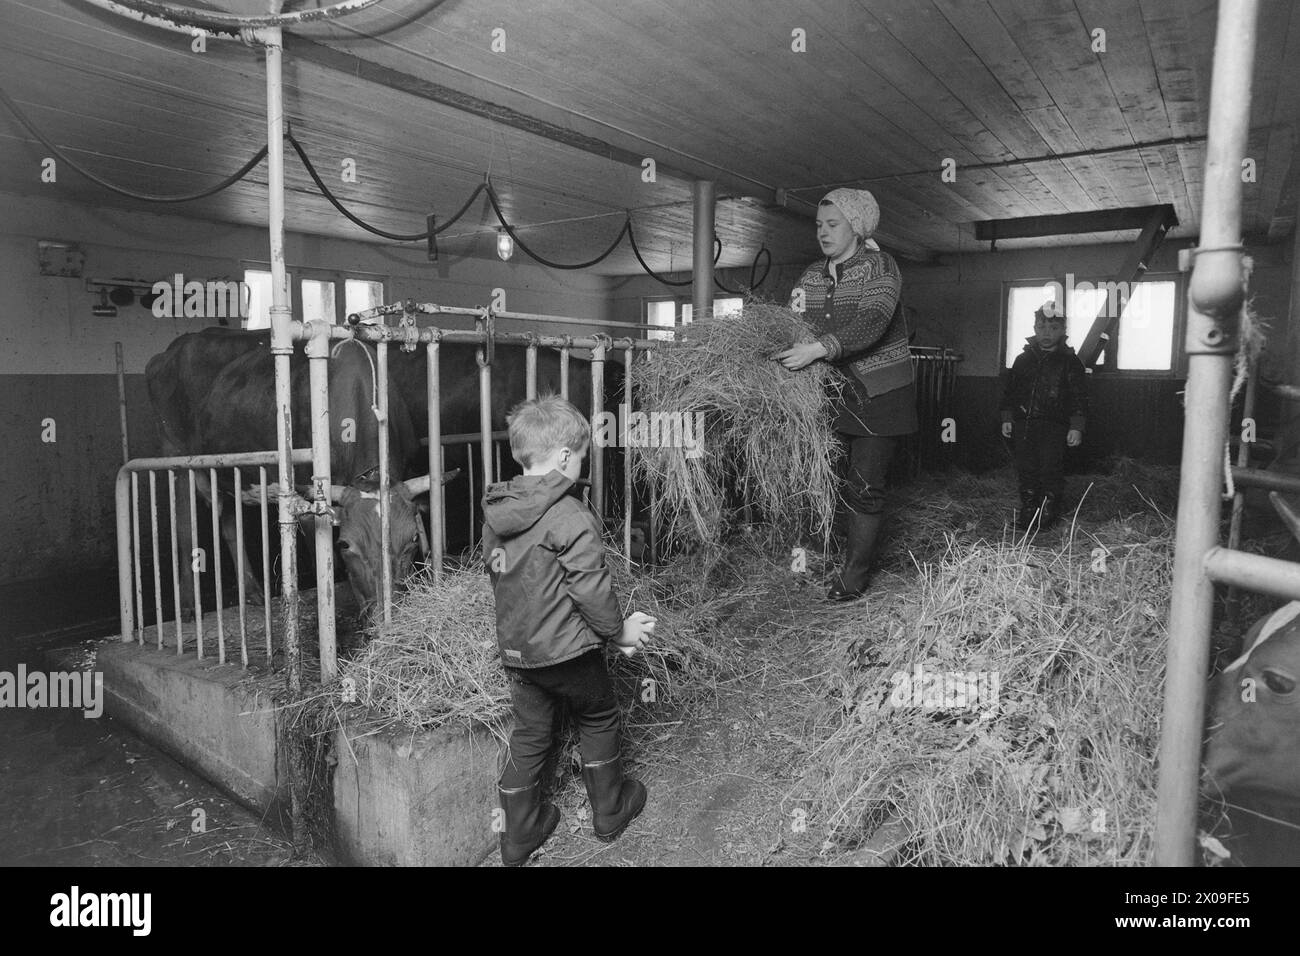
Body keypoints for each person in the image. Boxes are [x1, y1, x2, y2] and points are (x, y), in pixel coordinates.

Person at [481, 394, 657, 866]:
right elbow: (591, 590)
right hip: (570, 654)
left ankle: (517, 837)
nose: (582, 465)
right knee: (598, 715)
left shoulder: (498, 514)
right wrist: (617, 632)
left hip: (518, 652)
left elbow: (500, 574)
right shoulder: (570, 515)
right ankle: (610, 810)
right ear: (563, 458)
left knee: (531, 733)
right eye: (580, 457)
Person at [776, 188, 917, 601]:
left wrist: (817, 350)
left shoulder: (880, 268)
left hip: (879, 394)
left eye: (833, 224)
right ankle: (820, 557)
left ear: (856, 226)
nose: (823, 232)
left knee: (864, 486)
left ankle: (854, 575)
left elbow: (873, 320)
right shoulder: (810, 277)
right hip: (832, 394)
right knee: (826, 479)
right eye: (819, 225)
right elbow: (793, 324)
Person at [1000, 302, 1087, 531]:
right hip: (1024, 425)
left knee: (1051, 469)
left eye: (1053, 327)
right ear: (1035, 328)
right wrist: (1008, 418)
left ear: (1062, 331)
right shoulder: (1022, 360)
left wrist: (1076, 426)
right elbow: (1010, 391)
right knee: (1026, 468)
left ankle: (1049, 515)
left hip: (1054, 427)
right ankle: (1028, 513)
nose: (1047, 332)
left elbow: (1079, 397)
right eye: (1042, 326)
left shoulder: (1070, 362)